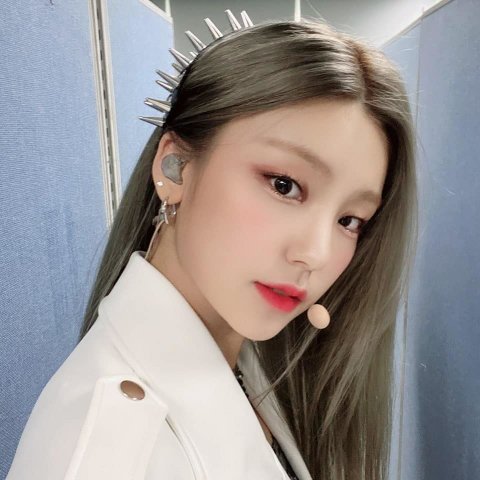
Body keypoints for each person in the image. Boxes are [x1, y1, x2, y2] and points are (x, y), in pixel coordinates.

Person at [7, 9, 418, 480]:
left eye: (350, 220)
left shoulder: (253, 367)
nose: (316, 254)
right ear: (175, 168)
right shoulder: (110, 452)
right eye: (284, 185)